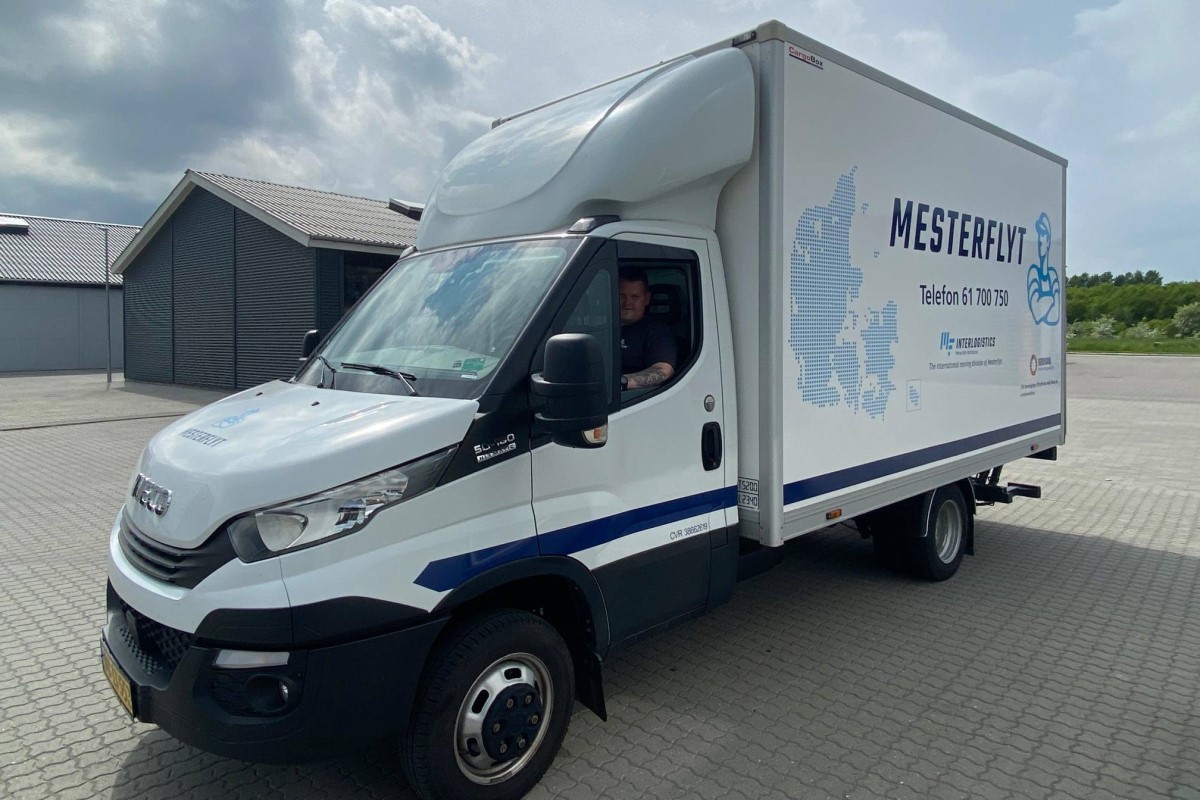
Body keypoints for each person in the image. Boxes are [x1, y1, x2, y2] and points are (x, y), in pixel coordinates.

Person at [618, 266, 677, 390]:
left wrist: (622, 382)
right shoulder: (601, 328)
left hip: (633, 398)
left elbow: (663, 371)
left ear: (647, 298)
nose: (627, 302)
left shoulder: (657, 332)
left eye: (635, 297)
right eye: (621, 296)